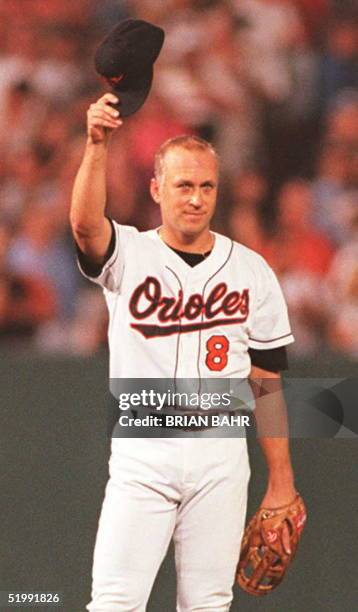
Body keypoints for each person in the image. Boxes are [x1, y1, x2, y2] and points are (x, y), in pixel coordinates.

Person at [70, 92, 297, 611]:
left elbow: (267, 382)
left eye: (206, 186)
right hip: (143, 456)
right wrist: (96, 144)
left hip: (220, 455)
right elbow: (85, 226)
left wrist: (282, 481)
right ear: (156, 189)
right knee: (113, 602)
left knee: (208, 603)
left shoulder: (252, 271)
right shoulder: (128, 254)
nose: (195, 198)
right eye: (183, 185)